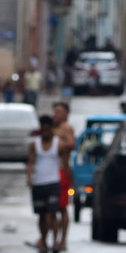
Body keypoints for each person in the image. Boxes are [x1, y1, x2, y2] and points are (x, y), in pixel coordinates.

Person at [28, 114, 63, 253]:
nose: (46, 132)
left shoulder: (58, 144)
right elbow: (30, 162)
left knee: (52, 213)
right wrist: (29, 177)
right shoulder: (34, 144)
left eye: (48, 129)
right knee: (42, 215)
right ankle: (43, 240)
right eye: (43, 129)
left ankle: (55, 242)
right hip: (39, 183)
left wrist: (69, 183)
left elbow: (65, 164)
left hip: (53, 182)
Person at [52, 102, 76, 242]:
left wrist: (59, 145)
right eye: (55, 112)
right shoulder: (54, 128)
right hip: (52, 172)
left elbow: (72, 144)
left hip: (62, 171)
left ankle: (62, 240)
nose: (56, 115)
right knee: (52, 209)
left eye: (59, 112)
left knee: (61, 208)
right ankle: (53, 238)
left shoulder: (66, 128)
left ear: (66, 114)